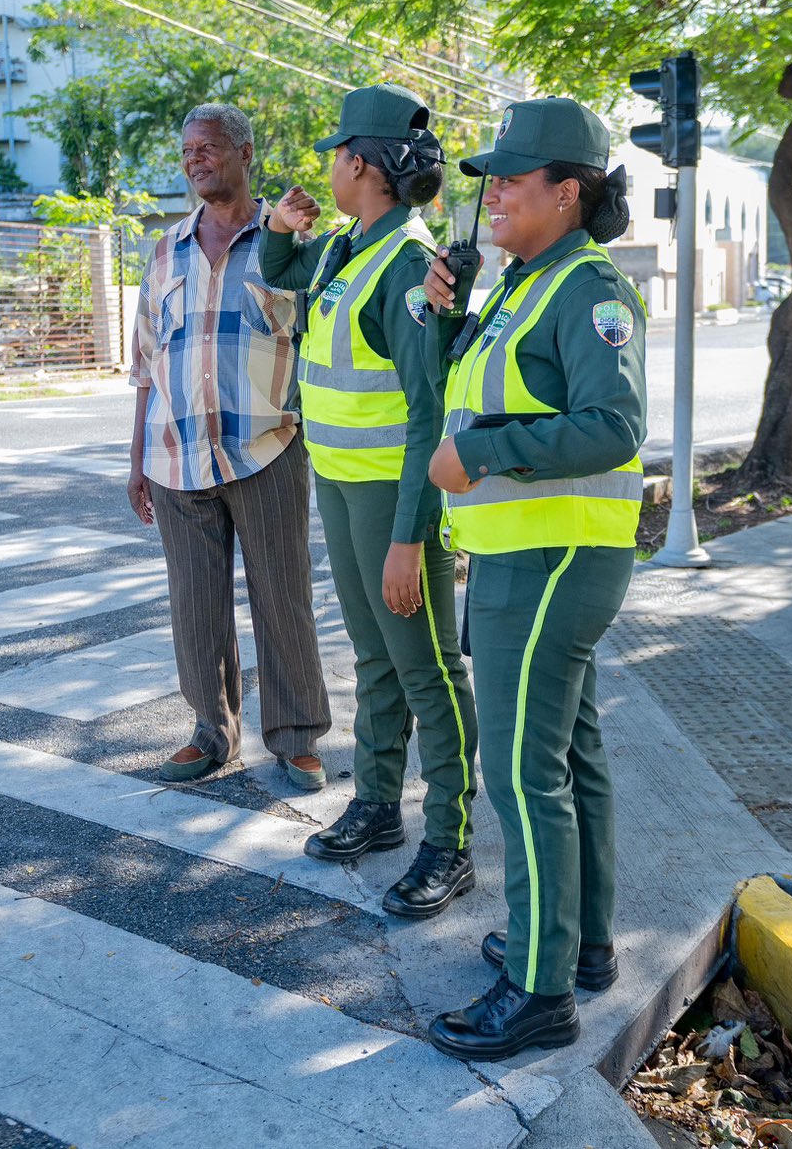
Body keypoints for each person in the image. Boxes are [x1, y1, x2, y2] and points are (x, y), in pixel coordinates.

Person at [418, 97, 646, 1062]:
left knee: (520, 775)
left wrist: (486, 453)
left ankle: (540, 992)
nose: (494, 193)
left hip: (552, 559)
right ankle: (579, 945)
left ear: (569, 192)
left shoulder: (588, 290)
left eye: (513, 179)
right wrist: (443, 317)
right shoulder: (525, 282)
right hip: (528, 555)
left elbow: (615, 426)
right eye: (492, 179)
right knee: (570, 758)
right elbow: (466, 395)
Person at [260, 83, 480, 920]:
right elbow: (287, 281)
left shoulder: (407, 269)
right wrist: (282, 232)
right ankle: (381, 804)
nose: (328, 167)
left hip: (394, 501)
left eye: (336, 155)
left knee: (428, 670)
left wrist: (408, 540)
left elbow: (430, 415)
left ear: (359, 163)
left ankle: (449, 842)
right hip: (345, 485)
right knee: (377, 657)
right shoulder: (350, 245)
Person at [126, 103, 332, 792]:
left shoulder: (288, 245)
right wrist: (135, 462)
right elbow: (144, 365)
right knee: (194, 603)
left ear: (245, 152)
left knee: (283, 597)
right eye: (188, 149)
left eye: (209, 147)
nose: (195, 159)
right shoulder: (165, 252)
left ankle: (297, 736)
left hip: (267, 447)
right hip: (177, 456)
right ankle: (212, 732)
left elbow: (319, 343)